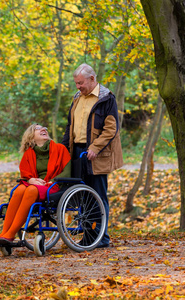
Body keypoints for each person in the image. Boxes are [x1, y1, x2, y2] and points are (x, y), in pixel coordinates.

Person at [62, 63, 123, 248]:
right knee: (83, 195)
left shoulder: (106, 98)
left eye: (80, 83)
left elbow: (111, 129)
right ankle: (89, 237)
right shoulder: (77, 98)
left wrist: (95, 147)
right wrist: (64, 150)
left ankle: (101, 238)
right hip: (77, 151)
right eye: (76, 83)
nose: (78, 86)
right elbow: (69, 127)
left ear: (92, 79)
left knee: (97, 194)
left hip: (96, 153)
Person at [0, 124, 71, 246]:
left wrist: (52, 181)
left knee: (31, 190)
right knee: (20, 189)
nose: (44, 129)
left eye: (45, 128)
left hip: (53, 186)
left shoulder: (60, 148)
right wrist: (31, 180)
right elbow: (25, 174)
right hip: (34, 185)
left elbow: (67, 172)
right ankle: (4, 233)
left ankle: (10, 234)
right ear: (31, 137)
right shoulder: (29, 153)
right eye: (38, 128)